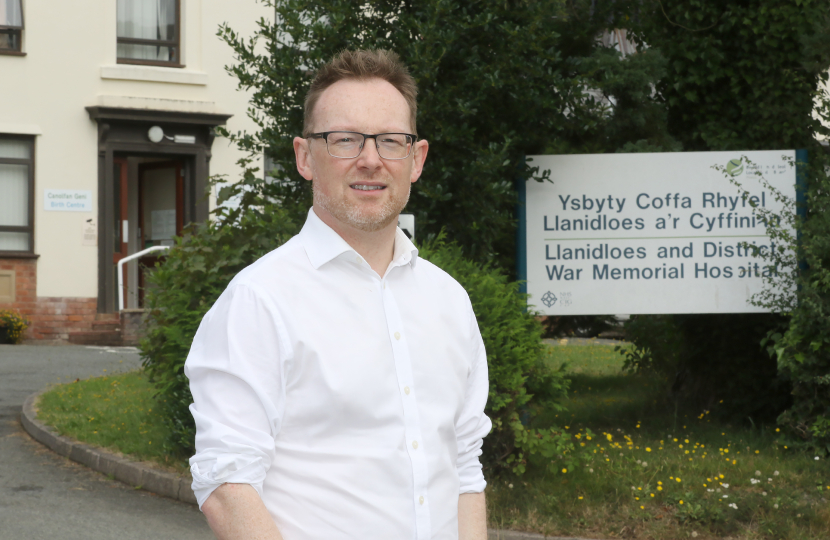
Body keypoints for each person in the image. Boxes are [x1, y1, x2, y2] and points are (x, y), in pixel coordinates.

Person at [185, 49, 492, 540]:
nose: (370, 160)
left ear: (416, 159)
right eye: (345, 139)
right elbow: (227, 484)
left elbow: (465, 467)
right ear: (306, 157)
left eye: (391, 141)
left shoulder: (449, 301)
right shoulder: (260, 300)